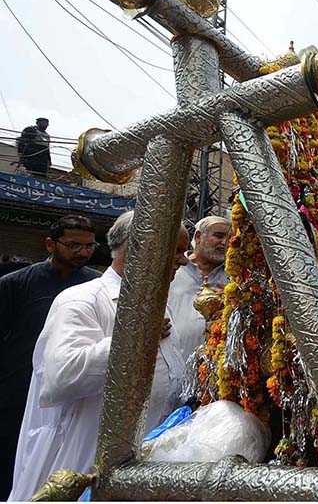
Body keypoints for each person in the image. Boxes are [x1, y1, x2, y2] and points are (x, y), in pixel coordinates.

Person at [9, 212, 189, 501]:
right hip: (82, 457)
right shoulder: (82, 300)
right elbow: (63, 376)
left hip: (141, 462)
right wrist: (135, 336)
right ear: (141, 247)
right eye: (177, 250)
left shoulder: (155, 303)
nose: (183, 260)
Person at [0, 216, 100, 498]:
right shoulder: (15, 284)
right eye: (73, 245)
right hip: (16, 395)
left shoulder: (98, 286)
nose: (82, 252)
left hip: (70, 396)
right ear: (50, 244)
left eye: (89, 246)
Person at [167, 215, 230, 363]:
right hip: (172, 364)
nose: (224, 243)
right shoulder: (174, 269)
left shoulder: (233, 278)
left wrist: (232, 300)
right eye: (219, 236)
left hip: (216, 368)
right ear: (198, 236)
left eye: (228, 238)